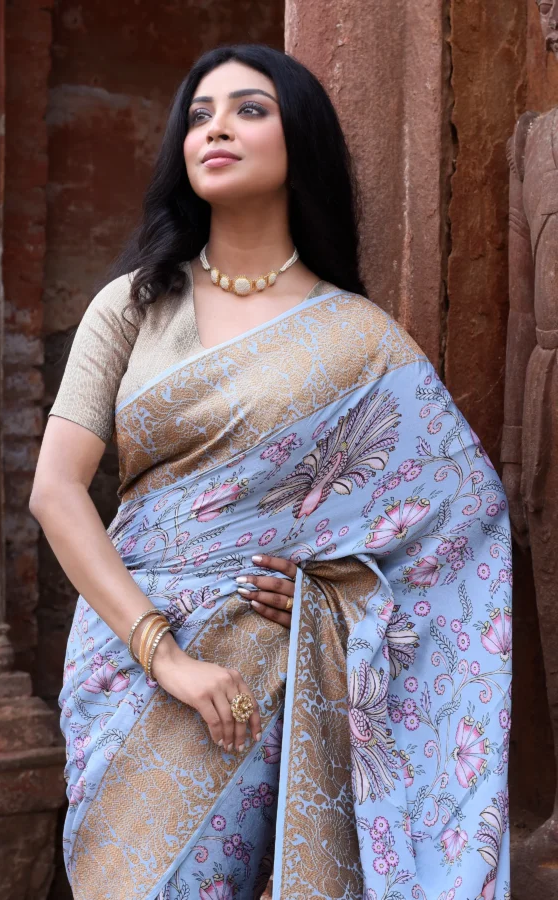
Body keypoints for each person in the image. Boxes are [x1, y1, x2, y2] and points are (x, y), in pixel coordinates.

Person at [30, 43, 512, 900]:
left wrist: (337, 598)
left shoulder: (360, 341)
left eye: (249, 110)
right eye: (200, 115)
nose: (216, 128)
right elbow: (56, 491)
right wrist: (164, 656)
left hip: (265, 669)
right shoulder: (133, 305)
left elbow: (461, 530)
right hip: (129, 657)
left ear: (302, 143)